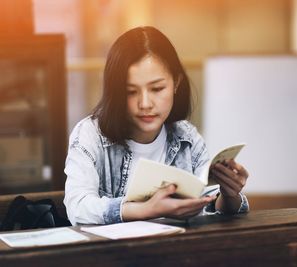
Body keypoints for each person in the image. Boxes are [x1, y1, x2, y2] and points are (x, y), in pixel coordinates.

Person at [64, 26, 249, 225]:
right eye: (130, 92)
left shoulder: (186, 137)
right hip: (114, 255)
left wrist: (229, 196)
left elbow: (210, 204)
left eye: (157, 88)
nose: (145, 104)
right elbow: (77, 207)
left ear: (176, 83)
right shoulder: (91, 134)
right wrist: (145, 210)